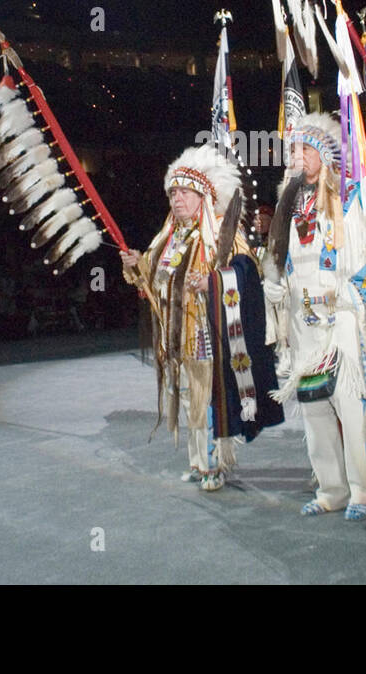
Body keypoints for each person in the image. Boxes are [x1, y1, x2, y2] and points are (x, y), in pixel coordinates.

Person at [262, 112, 366, 521]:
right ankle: (331, 489)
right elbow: (279, 261)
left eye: (305, 149)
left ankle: (363, 490)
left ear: (325, 156)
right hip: (303, 323)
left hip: (344, 319)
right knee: (313, 406)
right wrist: (275, 286)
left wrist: (354, 290)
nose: (296, 156)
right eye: (292, 150)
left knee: (351, 404)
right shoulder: (287, 207)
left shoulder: (356, 198)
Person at [121, 144, 282, 491]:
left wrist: (211, 282)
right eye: (173, 193)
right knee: (188, 399)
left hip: (207, 335)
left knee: (209, 400)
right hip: (176, 337)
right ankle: (198, 461)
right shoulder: (168, 237)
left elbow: (245, 274)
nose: (177, 199)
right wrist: (137, 265)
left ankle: (215, 463)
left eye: (185, 192)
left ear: (203, 196)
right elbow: (152, 281)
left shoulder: (222, 234)